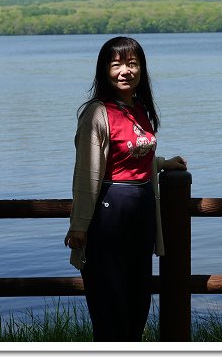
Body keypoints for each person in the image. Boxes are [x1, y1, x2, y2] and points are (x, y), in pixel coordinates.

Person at [64, 36, 187, 342]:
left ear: (142, 69)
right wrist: (79, 225)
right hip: (109, 213)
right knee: (110, 301)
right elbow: (87, 172)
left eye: (132, 63)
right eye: (116, 63)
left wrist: (161, 163)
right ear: (103, 70)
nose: (125, 71)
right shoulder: (96, 113)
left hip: (142, 212)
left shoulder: (140, 108)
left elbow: (130, 155)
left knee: (138, 296)